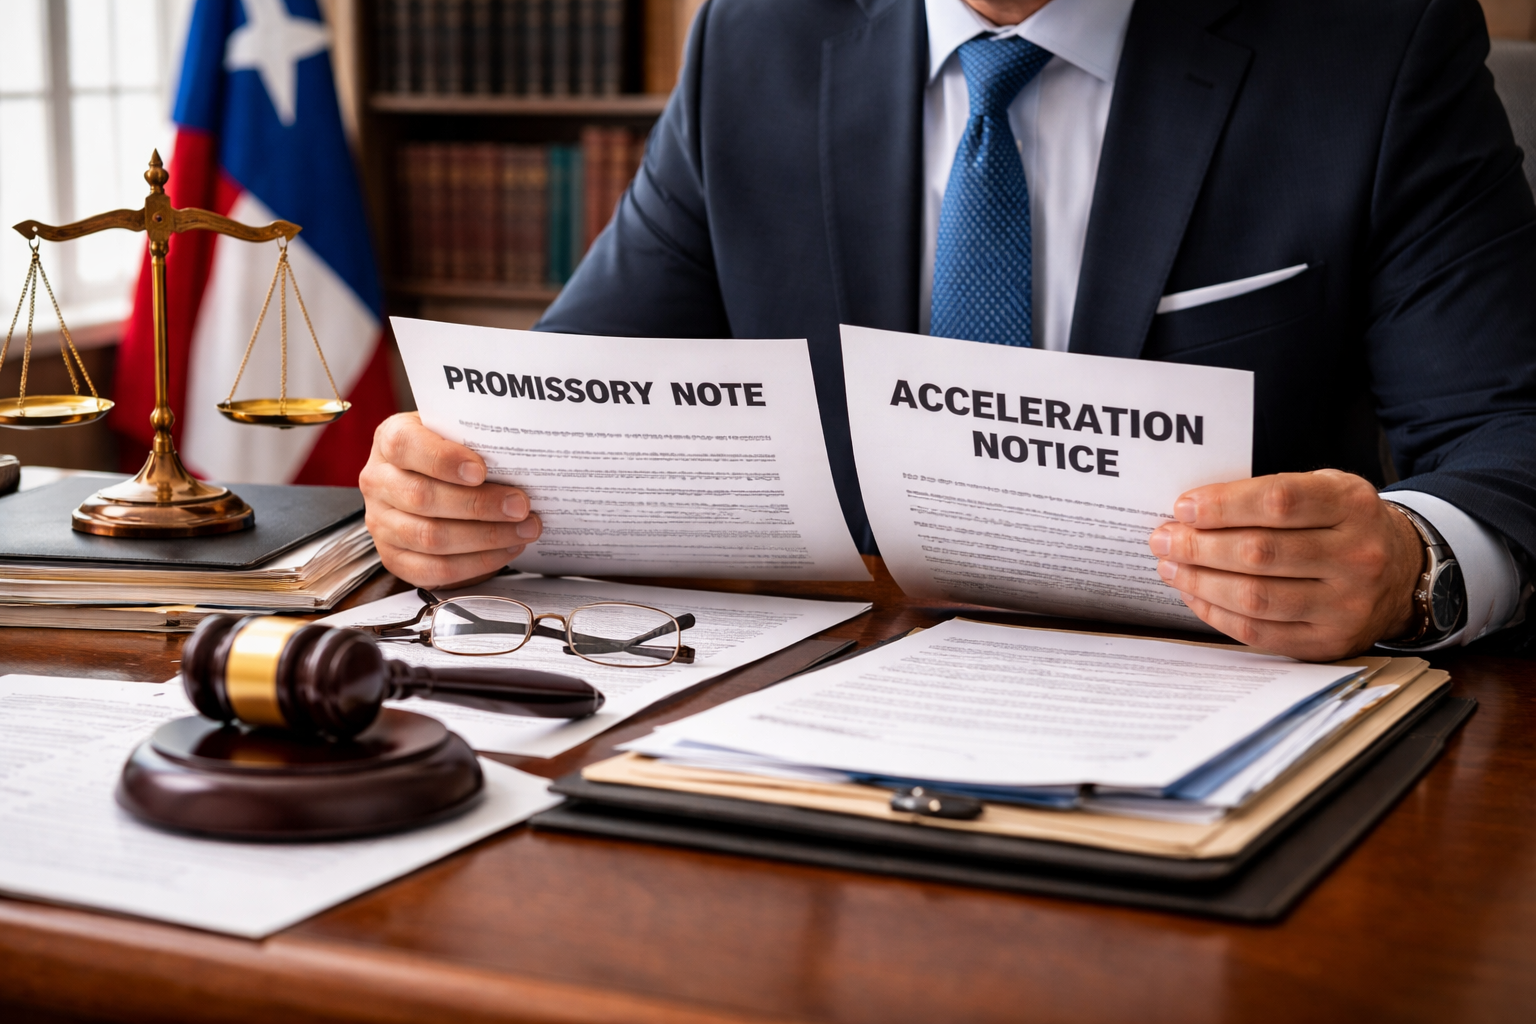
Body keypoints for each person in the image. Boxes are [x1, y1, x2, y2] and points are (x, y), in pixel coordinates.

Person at [361, 0, 1536, 661]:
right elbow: (567, 405)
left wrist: (1408, 567)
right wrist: (454, 485)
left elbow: (1508, 434)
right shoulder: (756, 39)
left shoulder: (1377, 42)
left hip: (1226, 698)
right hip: (829, 701)